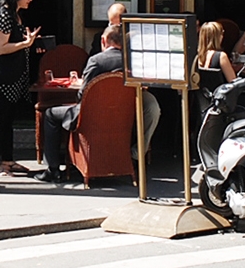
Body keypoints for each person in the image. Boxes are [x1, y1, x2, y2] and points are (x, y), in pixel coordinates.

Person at [35, 22, 158, 182]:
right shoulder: (132, 61)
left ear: (103, 40)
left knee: (51, 114)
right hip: (123, 117)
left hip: (92, 117)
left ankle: (53, 169)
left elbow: (83, 93)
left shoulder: (96, 61)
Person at [0, 0, 37, 177]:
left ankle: (6, 159)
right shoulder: (4, 15)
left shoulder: (14, 15)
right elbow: (1, 48)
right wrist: (25, 44)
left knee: (8, 119)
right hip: (1, 75)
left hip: (12, 75)